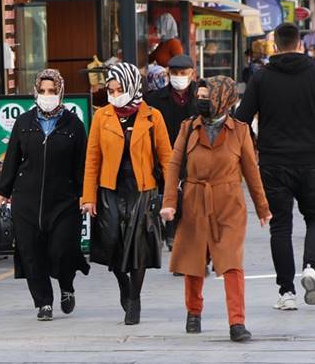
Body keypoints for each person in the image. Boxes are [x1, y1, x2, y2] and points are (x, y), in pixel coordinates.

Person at [235, 22, 315, 311]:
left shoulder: (261, 78)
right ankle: (311, 267)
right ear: (300, 44)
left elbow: (241, 118)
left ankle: (286, 292)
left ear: (275, 46)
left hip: (273, 163)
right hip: (310, 160)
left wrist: (246, 152)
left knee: (280, 226)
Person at [159, 76, 271, 342]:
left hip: (229, 203)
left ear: (222, 98)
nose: (201, 101)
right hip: (194, 199)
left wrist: (262, 207)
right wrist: (169, 204)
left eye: (206, 96)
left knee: (232, 262)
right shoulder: (188, 128)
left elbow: (251, 171)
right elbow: (174, 166)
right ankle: (194, 311)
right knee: (193, 259)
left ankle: (237, 322)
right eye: (199, 97)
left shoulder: (240, 130)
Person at [82, 62, 172, 325]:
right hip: (110, 186)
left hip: (142, 187)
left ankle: (134, 298)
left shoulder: (152, 116)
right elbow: (92, 158)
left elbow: (167, 157)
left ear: (132, 86)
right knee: (111, 242)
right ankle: (124, 284)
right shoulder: (102, 116)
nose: (114, 94)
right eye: (110, 89)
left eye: (119, 88)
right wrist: (88, 197)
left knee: (138, 244)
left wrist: (171, 197)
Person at [0, 69, 89, 321]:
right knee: (31, 252)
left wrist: (85, 194)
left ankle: (66, 286)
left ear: (61, 92)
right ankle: (43, 302)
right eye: (43, 91)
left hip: (64, 200)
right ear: (36, 92)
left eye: (53, 91)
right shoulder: (24, 122)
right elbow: (12, 159)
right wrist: (2, 191)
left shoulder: (74, 125)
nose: (48, 96)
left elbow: (82, 164)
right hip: (26, 198)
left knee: (62, 250)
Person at [145, 53, 199, 249]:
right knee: (170, 194)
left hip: (195, 154)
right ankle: (172, 234)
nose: (179, 76)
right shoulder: (155, 99)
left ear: (192, 73)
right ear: (168, 73)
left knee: (191, 197)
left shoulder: (201, 96)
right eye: (174, 73)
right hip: (166, 154)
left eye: (183, 72)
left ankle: (181, 236)